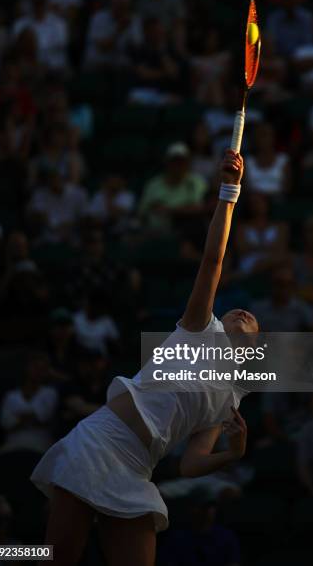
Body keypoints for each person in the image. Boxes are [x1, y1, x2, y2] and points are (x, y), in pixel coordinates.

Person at [30, 151, 253, 566]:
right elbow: (213, 261)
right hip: (100, 442)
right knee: (53, 558)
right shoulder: (199, 329)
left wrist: (234, 453)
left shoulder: (229, 402)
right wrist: (229, 192)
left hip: (136, 472)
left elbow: (190, 465)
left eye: (252, 318)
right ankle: (0, 553)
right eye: (237, 311)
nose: (243, 313)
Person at [157, 487, 241, 566]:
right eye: (203, 506)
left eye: (211, 506)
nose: (208, 510)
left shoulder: (226, 536)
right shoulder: (177, 537)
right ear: (192, 508)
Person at [139, 142, 207, 232]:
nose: (178, 166)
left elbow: (202, 208)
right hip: (153, 233)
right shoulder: (153, 185)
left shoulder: (197, 182)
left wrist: (169, 211)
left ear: (187, 163)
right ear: (167, 162)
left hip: (185, 234)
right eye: (174, 161)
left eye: (181, 161)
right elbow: (142, 212)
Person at [0, 351, 58, 455]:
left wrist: (19, 417)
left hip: (40, 449)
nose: (38, 371)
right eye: (35, 367)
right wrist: (33, 418)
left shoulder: (50, 393)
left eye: (43, 368)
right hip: (11, 448)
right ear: (27, 368)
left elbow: (44, 417)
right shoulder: (11, 396)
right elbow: (6, 423)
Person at [250, 265, 313, 331]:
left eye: (289, 284)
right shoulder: (257, 308)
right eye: (279, 283)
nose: (284, 288)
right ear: (272, 284)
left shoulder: (301, 308)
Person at [245, 122, 291, 196]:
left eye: (265, 135)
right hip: (253, 203)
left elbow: (287, 189)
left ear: (273, 137)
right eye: (259, 135)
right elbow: (245, 189)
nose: (262, 139)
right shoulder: (248, 161)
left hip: (278, 202)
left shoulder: (283, 160)